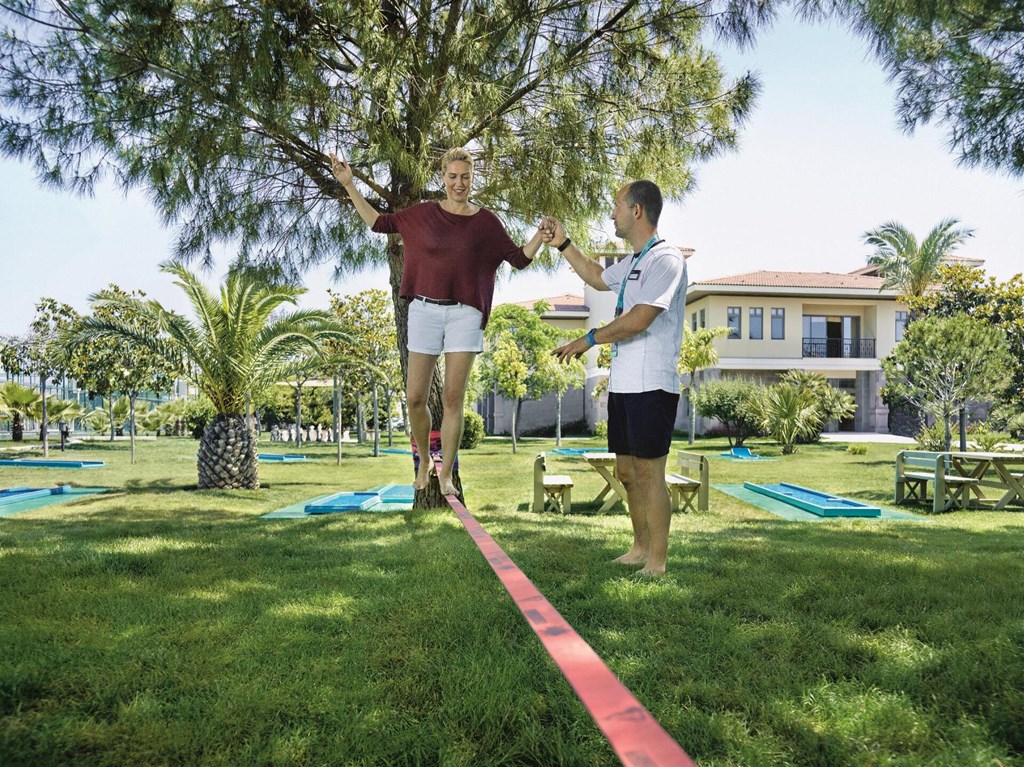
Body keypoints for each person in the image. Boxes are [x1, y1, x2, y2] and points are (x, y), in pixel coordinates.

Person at [330, 147, 547, 496]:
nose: (459, 183)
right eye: (452, 176)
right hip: (424, 310)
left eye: (465, 177)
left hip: (465, 312)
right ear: (442, 177)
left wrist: (539, 236)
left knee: (451, 398)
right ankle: (424, 462)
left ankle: (445, 473)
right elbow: (378, 222)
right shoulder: (422, 215)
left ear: (472, 179)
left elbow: (517, 259)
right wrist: (349, 184)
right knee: (415, 397)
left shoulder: (486, 222)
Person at [548, 181, 687, 576]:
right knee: (626, 472)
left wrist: (588, 339)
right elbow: (595, 275)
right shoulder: (633, 261)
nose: (612, 214)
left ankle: (657, 561)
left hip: (653, 384)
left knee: (649, 473)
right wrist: (563, 243)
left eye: (616, 206)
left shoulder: (667, 260)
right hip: (624, 384)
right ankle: (639, 548)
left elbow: (641, 318)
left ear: (637, 211)